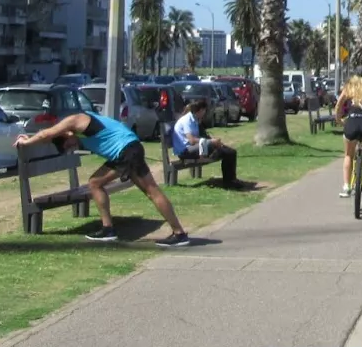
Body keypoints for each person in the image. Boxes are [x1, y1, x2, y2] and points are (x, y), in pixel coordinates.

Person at [16, 111, 190, 247]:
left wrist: (26, 143)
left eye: (70, 144)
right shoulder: (77, 130)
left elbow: (46, 134)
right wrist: (29, 136)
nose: (73, 146)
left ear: (67, 134)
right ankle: (177, 233)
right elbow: (48, 137)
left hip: (126, 152)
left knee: (101, 184)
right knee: (101, 183)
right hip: (130, 149)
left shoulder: (75, 120)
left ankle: (111, 230)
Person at [172, 97, 240, 188]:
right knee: (213, 146)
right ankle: (227, 179)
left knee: (230, 152)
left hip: (194, 148)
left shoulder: (195, 119)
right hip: (185, 151)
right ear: (201, 110)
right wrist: (211, 142)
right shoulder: (187, 120)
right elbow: (191, 140)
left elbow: (202, 137)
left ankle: (231, 179)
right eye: (205, 111)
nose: (205, 113)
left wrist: (215, 142)